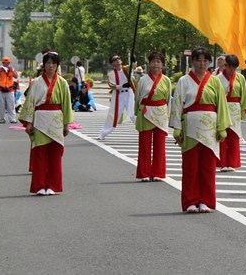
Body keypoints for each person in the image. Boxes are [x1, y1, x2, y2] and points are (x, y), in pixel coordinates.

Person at [170, 47, 231, 213]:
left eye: (205, 60)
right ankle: (190, 201)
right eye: (198, 60)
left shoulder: (215, 81)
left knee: (208, 167)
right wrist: (177, 127)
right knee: (190, 167)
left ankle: (206, 201)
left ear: (209, 63)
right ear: (193, 61)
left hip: (210, 129)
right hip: (190, 126)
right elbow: (177, 104)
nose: (201, 64)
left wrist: (222, 127)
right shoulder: (183, 81)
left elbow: (222, 106)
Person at [18, 51, 73, 195]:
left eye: (53, 63)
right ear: (44, 65)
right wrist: (29, 122)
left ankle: (53, 185)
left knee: (55, 154)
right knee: (40, 154)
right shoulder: (36, 82)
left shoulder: (63, 83)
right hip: (40, 118)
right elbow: (30, 102)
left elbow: (67, 104)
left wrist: (66, 124)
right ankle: (40, 185)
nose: (51, 66)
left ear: (57, 65)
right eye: (48, 63)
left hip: (56, 119)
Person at [135, 51, 172, 182]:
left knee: (160, 145)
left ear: (162, 65)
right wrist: (137, 114)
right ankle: (144, 172)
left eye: (159, 62)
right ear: (149, 63)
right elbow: (138, 97)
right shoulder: (142, 80)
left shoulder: (166, 80)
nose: (156, 64)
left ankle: (158, 172)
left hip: (161, 113)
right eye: (153, 61)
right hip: (145, 112)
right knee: (144, 144)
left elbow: (168, 99)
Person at [217, 54, 246, 172]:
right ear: (225, 66)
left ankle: (232, 163)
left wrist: (244, 109)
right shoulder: (217, 79)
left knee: (234, 136)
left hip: (235, 108)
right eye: (229, 67)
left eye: (234, 67)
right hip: (222, 107)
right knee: (222, 136)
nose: (231, 70)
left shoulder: (240, 78)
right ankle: (222, 162)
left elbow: (244, 94)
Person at [99, 55, 136, 141]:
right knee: (114, 115)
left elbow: (133, 66)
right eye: (115, 59)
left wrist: (134, 60)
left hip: (129, 93)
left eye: (118, 58)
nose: (117, 60)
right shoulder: (111, 74)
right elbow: (112, 86)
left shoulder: (126, 69)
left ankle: (143, 130)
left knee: (133, 113)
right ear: (112, 63)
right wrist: (122, 85)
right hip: (119, 94)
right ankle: (103, 133)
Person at [0, 57, 19, 124]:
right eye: (4, 63)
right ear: (2, 63)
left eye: (7, 63)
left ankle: (12, 119)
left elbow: (16, 76)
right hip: (1, 89)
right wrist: (0, 71)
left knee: (11, 105)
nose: (6, 64)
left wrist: (11, 70)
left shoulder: (12, 69)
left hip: (10, 89)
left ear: (9, 63)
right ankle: (2, 119)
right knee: (1, 105)